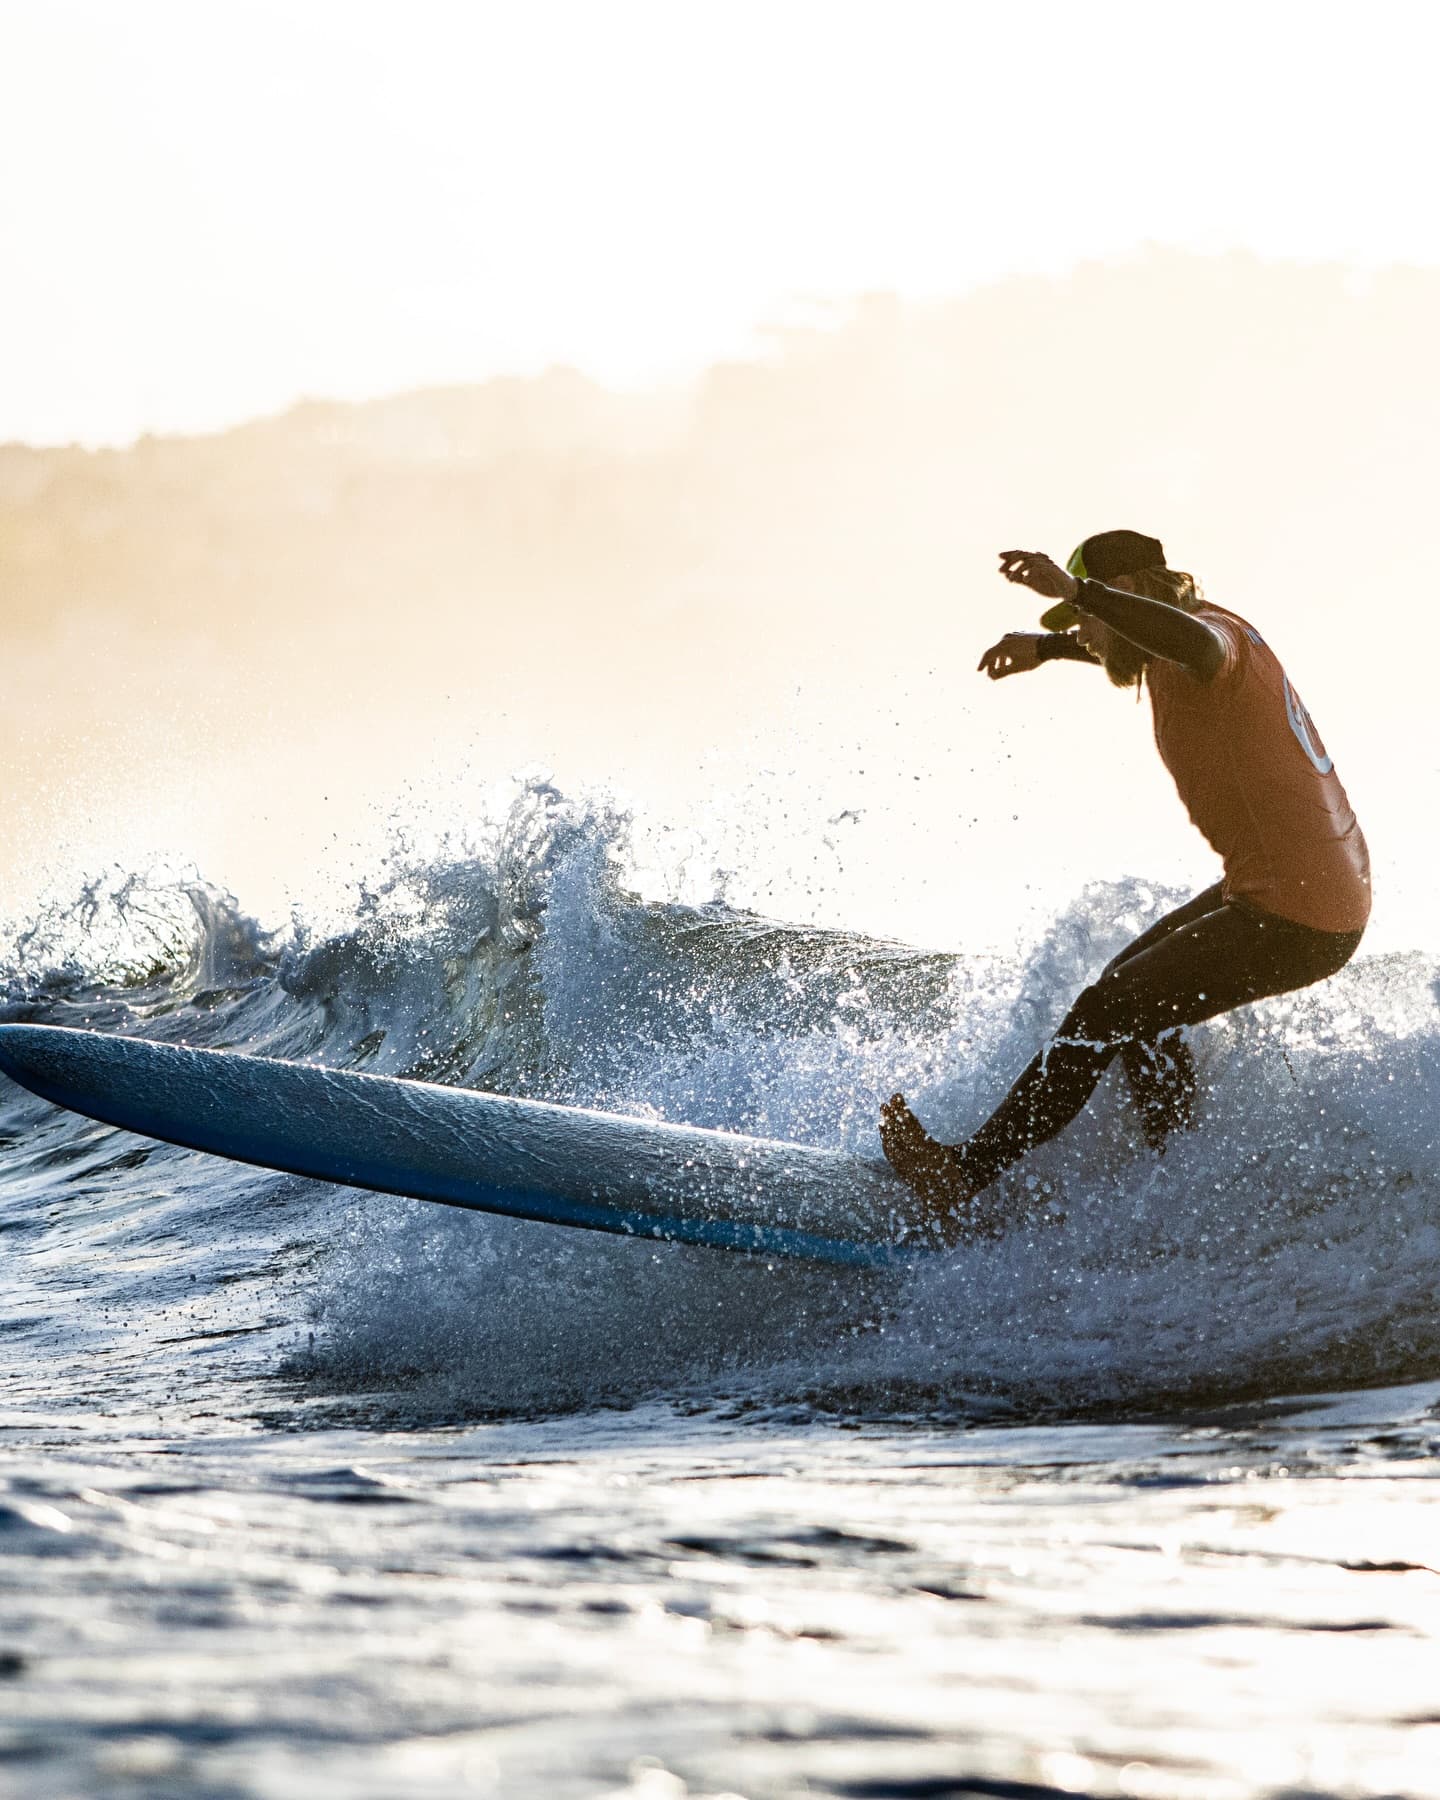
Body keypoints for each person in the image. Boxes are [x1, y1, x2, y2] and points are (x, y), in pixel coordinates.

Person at [879, 529, 1370, 1240]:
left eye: (1086, 620)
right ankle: (1176, 1176)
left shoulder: (1208, 644)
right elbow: (1133, 637)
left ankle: (964, 1175)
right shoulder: (1178, 639)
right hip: (1298, 888)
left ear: (1132, 592)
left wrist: (1078, 593)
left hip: (1300, 908)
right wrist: (1049, 645)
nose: (1084, 632)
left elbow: (1179, 639)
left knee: (1104, 1011)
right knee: (1132, 997)